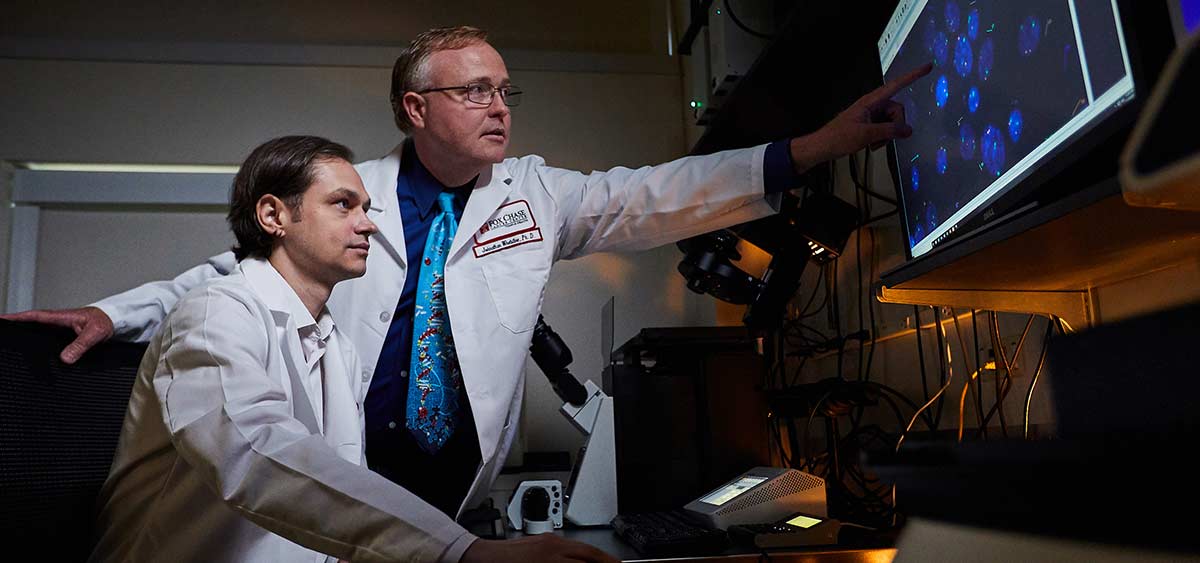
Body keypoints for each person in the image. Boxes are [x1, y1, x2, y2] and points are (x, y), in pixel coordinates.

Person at [5, 26, 929, 562]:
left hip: (449, 511)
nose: (501, 105)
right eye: (475, 90)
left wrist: (808, 150)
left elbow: (649, 196)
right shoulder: (349, 194)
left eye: (506, 89)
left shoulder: (534, 192)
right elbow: (225, 278)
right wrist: (113, 313)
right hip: (332, 488)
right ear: (417, 108)